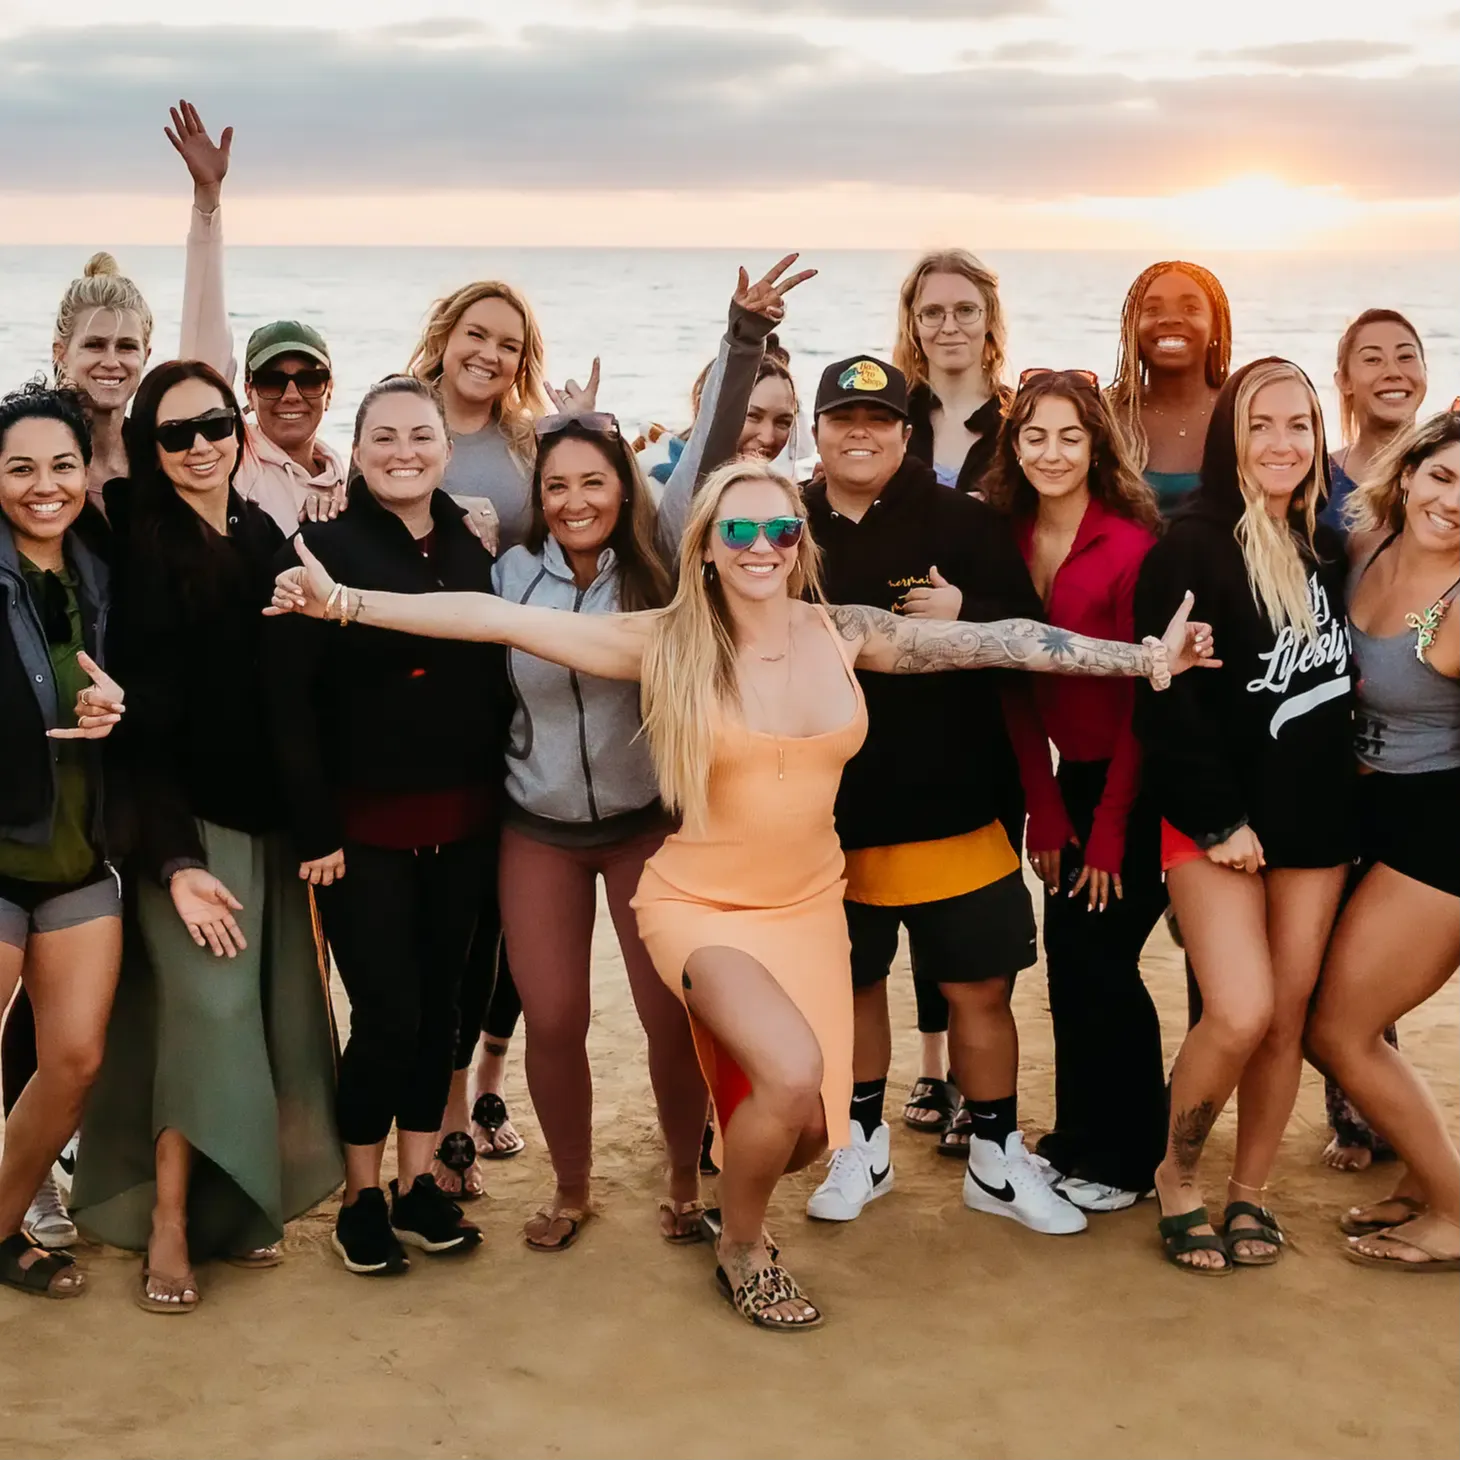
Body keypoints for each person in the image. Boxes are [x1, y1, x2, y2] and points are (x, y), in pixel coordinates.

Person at [268, 456, 1211, 1326]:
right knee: (790, 1077)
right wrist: (343, 600)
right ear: (707, 547)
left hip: (809, 907)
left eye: (780, 530)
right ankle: (744, 1245)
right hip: (701, 905)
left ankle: (737, 1188)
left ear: (801, 543)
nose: (762, 547)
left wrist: (1141, 659)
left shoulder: (844, 632)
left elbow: (995, 642)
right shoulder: (669, 641)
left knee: (806, 1132)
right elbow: (498, 619)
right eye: (740, 530)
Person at [435, 257, 813, 1197]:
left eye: (593, 483)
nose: (574, 501)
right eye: (556, 486)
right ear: (537, 496)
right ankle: (571, 1188)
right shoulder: (505, 575)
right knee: (555, 1019)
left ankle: (683, 1181)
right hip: (538, 830)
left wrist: (742, 336)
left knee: (667, 1017)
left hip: (647, 826)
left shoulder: (659, 558)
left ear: (623, 487)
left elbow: (708, 447)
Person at [69, 360, 341, 1313]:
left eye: (214, 425)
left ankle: (231, 1207)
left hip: (265, 824)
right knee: (206, 1014)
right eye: (175, 433)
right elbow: (139, 724)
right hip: (180, 826)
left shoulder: (261, 531)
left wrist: (314, 824)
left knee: (264, 1017)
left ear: (240, 429)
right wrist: (177, 860)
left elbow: (291, 697)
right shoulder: (136, 542)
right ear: (148, 447)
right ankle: (170, 1219)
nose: (199, 446)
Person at [795, 357, 1083, 1231]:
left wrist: (967, 614)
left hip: (959, 806)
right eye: (842, 417)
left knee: (979, 990)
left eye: (877, 419)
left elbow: (1027, 637)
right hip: (826, 815)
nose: (859, 432)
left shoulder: (965, 521)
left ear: (904, 432)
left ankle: (996, 1157)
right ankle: (860, 1145)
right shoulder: (783, 525)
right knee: (851, 985)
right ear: (816, 431)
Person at [264, 376, 504, 1274]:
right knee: (388, 1014)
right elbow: (287, 705)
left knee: (443, 1010)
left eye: (420, 435)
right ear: (356, 451)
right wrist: (315, 830)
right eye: (385, 437)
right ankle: (360, 1197)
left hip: (467, 820)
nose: (404, 451)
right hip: (360, 832)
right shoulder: (317, 547)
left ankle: (415, 1186)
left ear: (446, 447)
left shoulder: (471, 543)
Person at [1134, 357, 1354, 1275]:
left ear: (1317, 436)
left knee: (1284, 1020)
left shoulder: (1330, 547)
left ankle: (1248, 1188)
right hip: (1213, 823)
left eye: (1298, 424)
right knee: (1236, 1010)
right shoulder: (1189, 548)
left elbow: (1395, 640)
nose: (1280, 442)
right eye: (1260, 423)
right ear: (1230, 434)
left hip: (1315, 826)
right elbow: (1163, 705)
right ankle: (1176, 1173)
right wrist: (1219, 820)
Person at [983, 369, 1169, 1213]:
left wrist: (1107, 829)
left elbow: (1141, 702)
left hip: (1138, 777)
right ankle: (1076, 1138)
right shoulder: (1006, 540)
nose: (1050, 452)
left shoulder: (1129, 547)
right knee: (1067, 962)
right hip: (1069, 779)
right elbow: (1011, 686)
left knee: (1106, 965)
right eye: (1034, 436)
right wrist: (1048, 808)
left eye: (1068, 436)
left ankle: (1131, 1157)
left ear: (1096, 446)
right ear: (1014, 445)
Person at [1305, 411, 1460, 1272]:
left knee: (1339, 1030)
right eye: (1443, 476)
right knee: (1336, 1021)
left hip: (1438, 831)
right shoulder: (1365, 548)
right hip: (1367, 815)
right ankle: (1423, 1183)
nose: (1454, 501)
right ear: (1407, 474)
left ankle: (1456, 1210)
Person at [0, 383, 124, 1299]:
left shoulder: (102, 567)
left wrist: (124, 706)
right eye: (20, 468)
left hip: (81, 850)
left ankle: (1, 1227)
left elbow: (147, 685)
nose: (44, 485)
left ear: (87, 471)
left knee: (75, 1061)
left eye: (62, 465)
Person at [166, 100, 348, 533]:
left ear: (329, 391)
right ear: (246, 390)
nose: (291, 395)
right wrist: (207, 202)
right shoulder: (232, 459)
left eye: (309, 379)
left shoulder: (345, 477)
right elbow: (203, 348)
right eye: (271, 380)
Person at [1106, 260, 1233, 517]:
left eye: (1191, 308)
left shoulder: (1241, 412)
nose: (1170, 319)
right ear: (1132, 328)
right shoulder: (1105, 415)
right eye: (1152, 310)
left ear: (1216, 327)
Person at [894, 248, 1011, 492]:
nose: (949, 327)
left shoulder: (1019, 421)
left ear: (989, 319)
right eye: (932, 313)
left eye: (966, 310)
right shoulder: (888, 416)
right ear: (913, 324)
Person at [51, 257, 153, 506]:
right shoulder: (25, 447)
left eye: (126, 347)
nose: (111, 361)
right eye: (94, 345)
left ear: (146, 356)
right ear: (61, 354)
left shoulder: (158, 458)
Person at [1321, 310, 1429, 532]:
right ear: (1344, 381)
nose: (1393, 372)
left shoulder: (1451, 472)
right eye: (1372, 359)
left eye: (1406, 357)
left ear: (1425, 371)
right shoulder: (1317, 481)